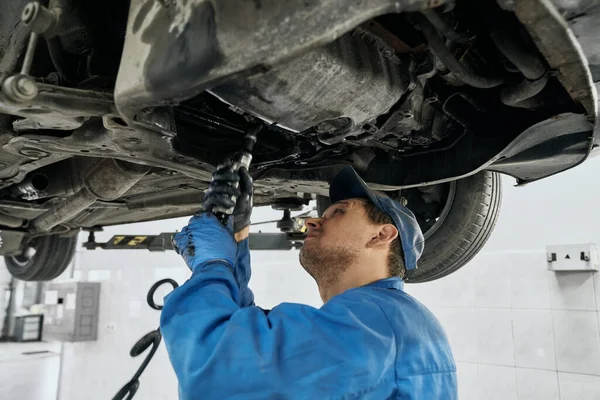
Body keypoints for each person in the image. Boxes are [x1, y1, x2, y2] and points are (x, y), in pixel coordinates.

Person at [161, 164, 457, 399]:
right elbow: (255, 345)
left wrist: (212, 265)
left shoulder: (375, 322)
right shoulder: (390, 318)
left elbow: (217, 377)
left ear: (381, 235)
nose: (312, 221)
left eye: (339, 212)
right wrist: (234, 248)